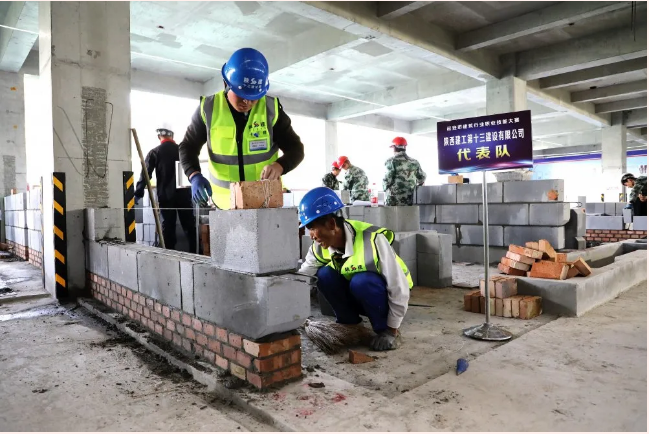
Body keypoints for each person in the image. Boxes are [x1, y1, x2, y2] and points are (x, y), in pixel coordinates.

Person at [178, 48, 305, 209]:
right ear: (226, 84)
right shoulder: (208, 109)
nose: (247, 102)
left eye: (253, 98)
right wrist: (194, 174)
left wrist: (280, 166)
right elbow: (188, 147)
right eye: (242, 95)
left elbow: (296, 149)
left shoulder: (271, 110)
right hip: (225, 204)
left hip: (265, 203)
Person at [298, 187, 413, 351]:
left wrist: (392, 329)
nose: (311, 235)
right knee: (324, 274)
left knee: (362, 281)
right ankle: (351, 324)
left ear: (331, 224)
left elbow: (398, 287)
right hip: (359, 292)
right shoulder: (318, 246)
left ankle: (383, 329)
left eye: (312, 228)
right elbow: (303, 276)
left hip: (386, 295)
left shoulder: (373, 239)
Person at [134, 127, 196, 252]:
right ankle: (195, 253)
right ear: (172, 136)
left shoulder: (155, 152)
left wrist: (138, 193)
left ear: (159, 137)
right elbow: (193, 170)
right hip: (184, 194)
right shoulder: (182, 151)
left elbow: (146, 174)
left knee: (168, 227)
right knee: (189, 226)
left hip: (166, 196)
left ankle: (169, 255)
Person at [382, 137, 426, 206]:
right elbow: (422, 179)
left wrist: (385, 188)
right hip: (410, 201)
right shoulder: (414, 162)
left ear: (394, 148)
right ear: (405, 147)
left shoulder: (391, 161)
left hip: (394, 202)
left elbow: (387, 181)